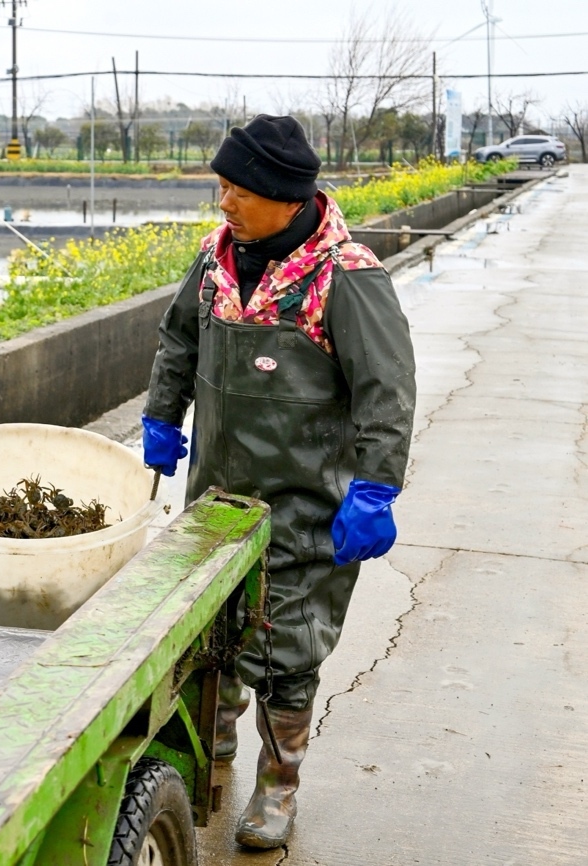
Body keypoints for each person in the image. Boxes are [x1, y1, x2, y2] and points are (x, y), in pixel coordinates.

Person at [141, 115, 415, 849]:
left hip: (305, 505)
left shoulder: (346, 278)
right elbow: (177, 339)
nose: (222, 203)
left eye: (235, 190)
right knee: (210, 638)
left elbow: (387, 390)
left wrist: (376, 487)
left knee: (287, 651)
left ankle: (279, 784)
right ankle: (216, 750)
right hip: (217, 500)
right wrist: (163, 416)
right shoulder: (215, 260)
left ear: (284, 198)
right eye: (220, 186)